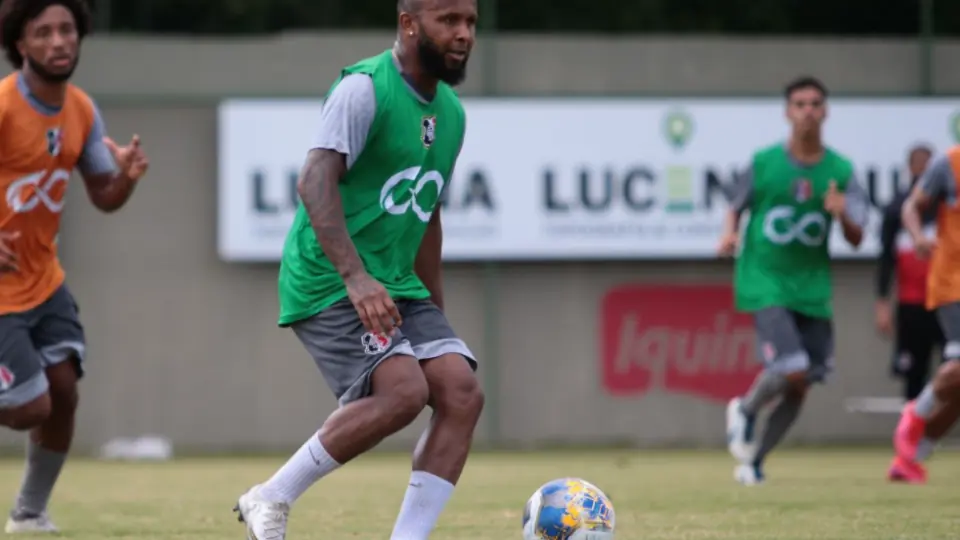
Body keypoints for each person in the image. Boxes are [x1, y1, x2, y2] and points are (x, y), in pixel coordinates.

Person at [233, 0, 482, 538]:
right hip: (328, 278)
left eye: (470, 22)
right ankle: (271, 497)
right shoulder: (364, 90)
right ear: (409, 23)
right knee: (404, 392)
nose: (463, 34)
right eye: (449, 21)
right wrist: (355, 278)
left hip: (396, 284)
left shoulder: (453, 114)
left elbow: (427, 213)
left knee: (461, 391)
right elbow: (313, 182)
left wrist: (434, 312)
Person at [0, 0, 149, 533]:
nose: (59, 41)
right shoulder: (3, 107)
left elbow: (104, 195)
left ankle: (29, 513)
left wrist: (125, 177)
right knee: (29, 408)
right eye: (43, 32)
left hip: (45, 284)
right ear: (20, 44)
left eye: (67, 29)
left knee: (63, 392)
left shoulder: (81, 110)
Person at [718, 75, 869, 485]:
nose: (808, 112)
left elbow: (858, 238)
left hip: (812, 288)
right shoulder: (765, 162)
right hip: (765, 278)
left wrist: (842, 213)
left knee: (801, 384)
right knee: (792, 366)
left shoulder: (841, 171)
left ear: (826, 112)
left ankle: (754, 463)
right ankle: (746, 409)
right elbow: (735, 205)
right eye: (800, 104)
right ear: (788, 112)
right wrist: (729, 234)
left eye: (815, 104)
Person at [888, 144, 960, 484]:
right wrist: (917, 236)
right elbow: (911, 207)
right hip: (953, 282)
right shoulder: (950, 163)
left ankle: (911, 456)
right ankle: (916, 412)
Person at [876, 145, 942, 401]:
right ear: (910, 168)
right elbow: (885, 258)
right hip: (911, 304)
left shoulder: (949, 207)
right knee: (913, 372)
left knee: (951, 368)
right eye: (919, 164)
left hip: (946, 301)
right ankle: (913, 421)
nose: (924, 170)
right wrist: (882, 302)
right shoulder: (896, 208)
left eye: (929, 165)